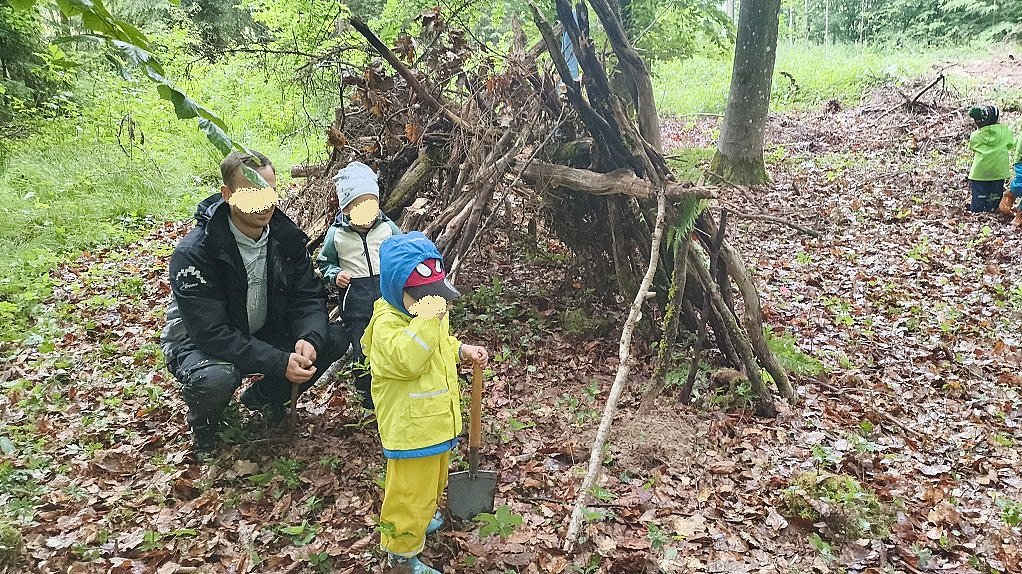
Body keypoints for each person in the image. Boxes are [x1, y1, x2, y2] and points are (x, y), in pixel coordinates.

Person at [161, 150, 350, 461]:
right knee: (216, 378)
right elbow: (210, 333)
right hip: (199, 344)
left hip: (262, 329)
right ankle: (204, 423)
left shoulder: (285, 238)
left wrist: (309, 337)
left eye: (269, 191)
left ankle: (264, 397)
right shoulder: (195, 253)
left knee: (333, 337)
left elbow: (307, 296)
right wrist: (277, 360)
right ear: (227, 194)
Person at [361, 232, 488, 574]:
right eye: (422, 297)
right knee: (409, 493)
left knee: (432, 482)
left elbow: (438, 343)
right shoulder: (386, 327)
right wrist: (430, 317)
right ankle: (400, 553)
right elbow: (410, 360)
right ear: (393, 288)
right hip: (411, 430)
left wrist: (460, 350)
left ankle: (422, 519)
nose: (432, 304)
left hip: (435, 424)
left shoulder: (427, 313)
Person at [316, 161, 401, 409]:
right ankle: (367, 395)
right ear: (345, 208)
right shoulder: (337, 235)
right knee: (362, 348)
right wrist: (336, 274)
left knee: (390, 344)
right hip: (356, 304)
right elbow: (325, 263)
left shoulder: (387, 229)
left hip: (388, 299)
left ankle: (391, 386)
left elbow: (402, 253)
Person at [967, 105, 1015, 212]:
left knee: (979, 195)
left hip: (980, 173)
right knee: (996, 195)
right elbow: (1011, 145)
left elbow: (972, 147)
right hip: (999, 171)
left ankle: (978, 211)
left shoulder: (976, 135)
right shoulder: (1005, 131)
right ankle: (993, 208)